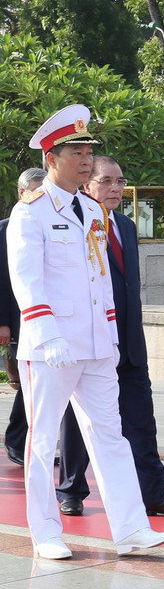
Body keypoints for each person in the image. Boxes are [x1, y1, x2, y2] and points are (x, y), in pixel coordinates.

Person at [7, 104, 164, 559]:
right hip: (52, 348)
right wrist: (47, 334)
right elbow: (28, 282)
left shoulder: (92, 209)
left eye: (87, 151)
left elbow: (101, 281)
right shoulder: (32, 213)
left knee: (111, 435)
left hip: (98, 347)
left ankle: (131, 529)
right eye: (75, 152)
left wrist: (111, 336)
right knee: (42, 441)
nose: (85, 160)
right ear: (51, 159)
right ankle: (45, 533)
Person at [56, 155, 164, 518]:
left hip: (130, 344)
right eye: (106, 181)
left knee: (141, 420)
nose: (115, 188)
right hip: (88, 342)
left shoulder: (126, 226)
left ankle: (153, 493)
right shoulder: (72, 224)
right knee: (78, 422)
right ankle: (71, 490)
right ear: (88, 184)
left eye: (119, 181)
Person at [2, 168, 47, 467]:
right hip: (15, 318)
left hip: (46, 319)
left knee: (38, 384)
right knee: (28, 383)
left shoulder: (54, 224)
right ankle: (17, 440)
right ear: (21, 193)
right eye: (35, 190)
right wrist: (3, 320)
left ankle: (28, 440)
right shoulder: (4, 229)